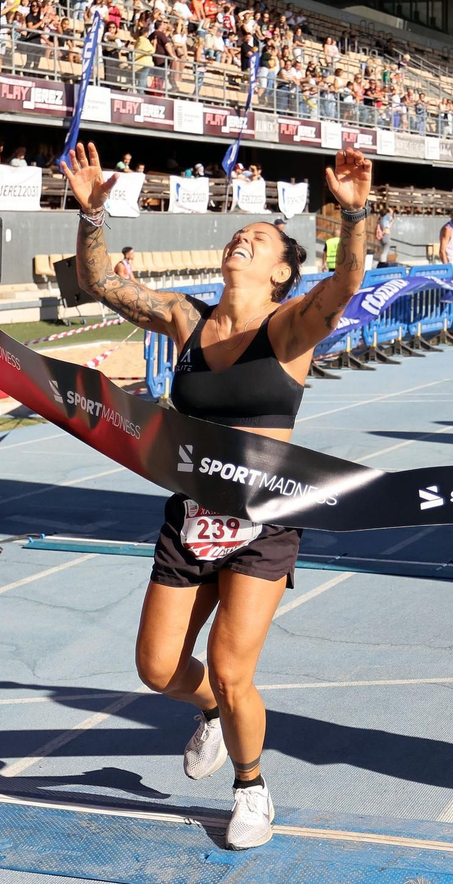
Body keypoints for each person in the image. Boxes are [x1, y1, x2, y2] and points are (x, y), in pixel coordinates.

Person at [57, 142, 373, 851]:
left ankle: (252, 787)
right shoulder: (185, 320)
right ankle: (209, 714)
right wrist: (92, 214)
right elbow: (103, 282)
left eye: (258, 240)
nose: (242, 239)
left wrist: (354, 215)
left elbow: (347, 280)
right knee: (158, 667)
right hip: (193, 513)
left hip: (264, 518)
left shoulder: (290, 329)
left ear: (282, 270)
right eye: (238, 233)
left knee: (234, 671)